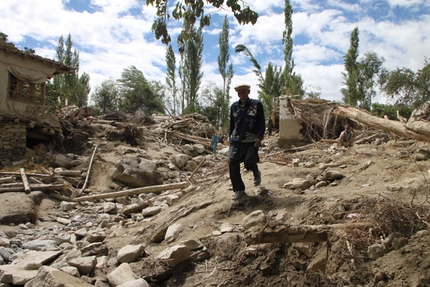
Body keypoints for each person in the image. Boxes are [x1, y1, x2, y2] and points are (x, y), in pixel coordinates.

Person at [229, 83, 266, 200]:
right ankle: (239, 189)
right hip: (236, 140)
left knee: (249, 161)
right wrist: (230, 138)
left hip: (251, 139)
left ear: (248, 92)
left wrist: (259, 137)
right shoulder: (234, 106)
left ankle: (256, 172)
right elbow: (232, 124)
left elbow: (261, 122)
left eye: (243, 92)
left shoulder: (256, 105)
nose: (241, 95)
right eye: (239, 93)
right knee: (232, 162)